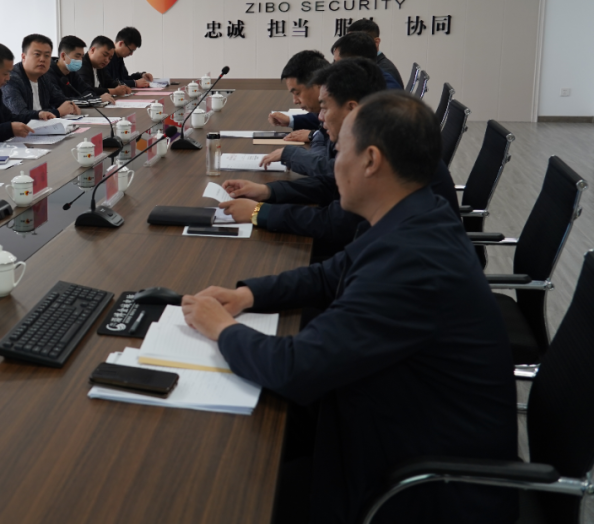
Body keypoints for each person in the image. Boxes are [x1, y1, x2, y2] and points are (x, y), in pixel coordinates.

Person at [183, 91, 517, 524]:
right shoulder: (415, 214)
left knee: (230, 481)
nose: (332, 164)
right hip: (390, 421)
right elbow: (331, 273)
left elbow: (297, 367)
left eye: (339, 152)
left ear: (371, 160)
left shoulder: (412, 261)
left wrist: (222, 329)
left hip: (422, 489)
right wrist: (249, 295)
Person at [223, 60, 460, 262]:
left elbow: (335, 222)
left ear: (352, 108)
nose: (320, 118)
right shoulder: (374, 134)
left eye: (325, 107)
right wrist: (267, 191)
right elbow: (331, 184)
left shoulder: (381, 149)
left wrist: (259, 212)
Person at [3, 34, 80, 120]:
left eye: (47, 55)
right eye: (37, 54)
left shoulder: (44, 77)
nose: (42, 59)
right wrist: (57, 112)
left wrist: (71, 105)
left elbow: (60, 99)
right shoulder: (11, 79)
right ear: (23, 57)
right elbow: (20, 114)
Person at [267, 50, 329, 136]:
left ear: (319, 84)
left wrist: (312, 136)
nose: (295, 101)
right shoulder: (326, 111)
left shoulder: (343, 112)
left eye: (297, 93)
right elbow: (317, 119)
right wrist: (290, 120)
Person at [330, 32, 402, 89]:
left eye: (337, 63)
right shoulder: (364, 80)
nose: (334, 68)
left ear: (356, 63)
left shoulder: (384, 92)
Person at [348, 18, 403, 86]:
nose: (350, 46)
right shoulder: (371, 65)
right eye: (348, 41)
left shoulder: (385, 70)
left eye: (355, 41)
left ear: (376, 42)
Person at [78, 36, 129, 101]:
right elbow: (87, 90)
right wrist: (114, 91)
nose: (107, 60)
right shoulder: (81, 65)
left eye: (110, 58)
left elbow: (109, 81)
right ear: (93, 50)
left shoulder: (99, 66)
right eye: (105, 55)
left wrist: (121, 86)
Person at [44, 35, 92, 102]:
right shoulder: (48, 74)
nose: (80, 60)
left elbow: (89, 91)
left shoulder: (72, 72)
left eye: (82, 57)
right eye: (77, 56)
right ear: (63, 56)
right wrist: (83, 99)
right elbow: (59, 100)